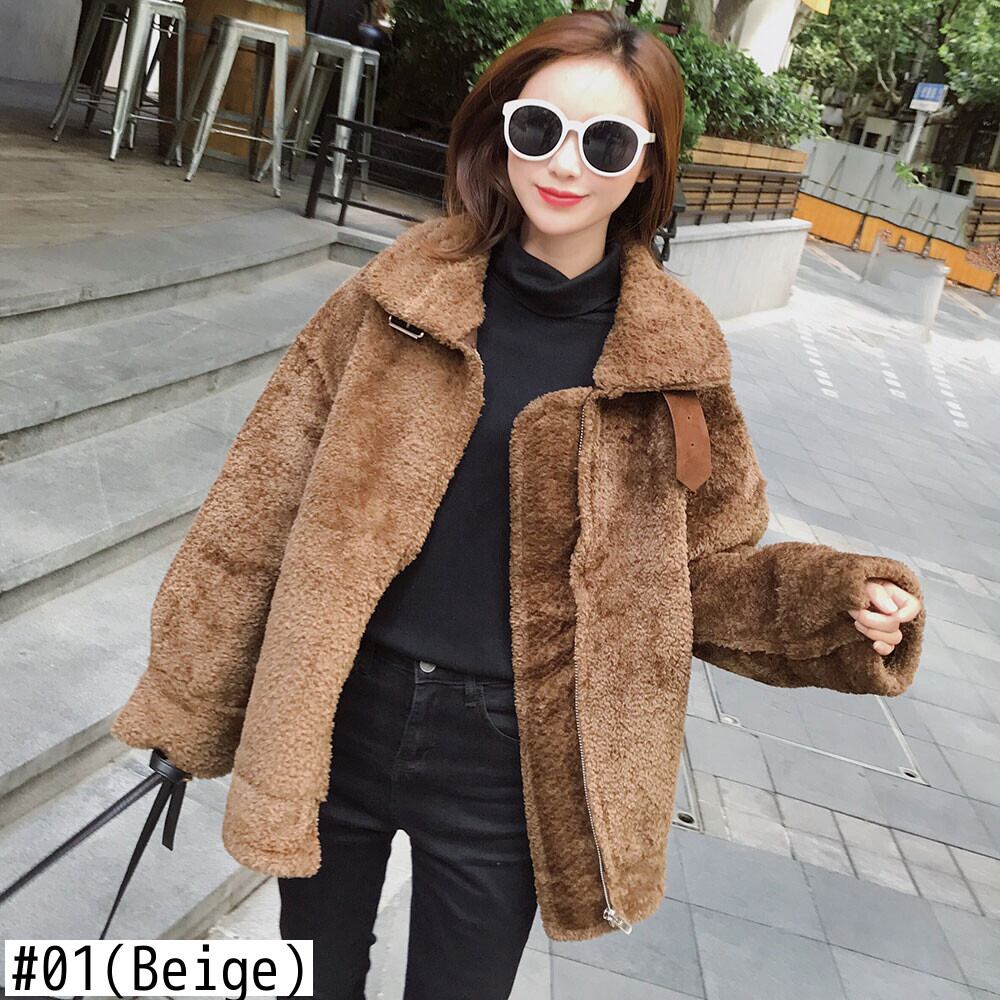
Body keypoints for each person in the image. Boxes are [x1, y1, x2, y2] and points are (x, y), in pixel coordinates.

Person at [110, 8, 926, 1000]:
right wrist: (190, 699)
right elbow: (257, 508)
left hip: (508, 751)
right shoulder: (396, 300)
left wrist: (836, 602)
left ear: (646, 166)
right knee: (311, 978)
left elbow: (698, 574)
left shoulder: (672, 360)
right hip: (340, 710)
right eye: (539, 128)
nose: (565, 164)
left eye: (605, 141)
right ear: (501, 131)